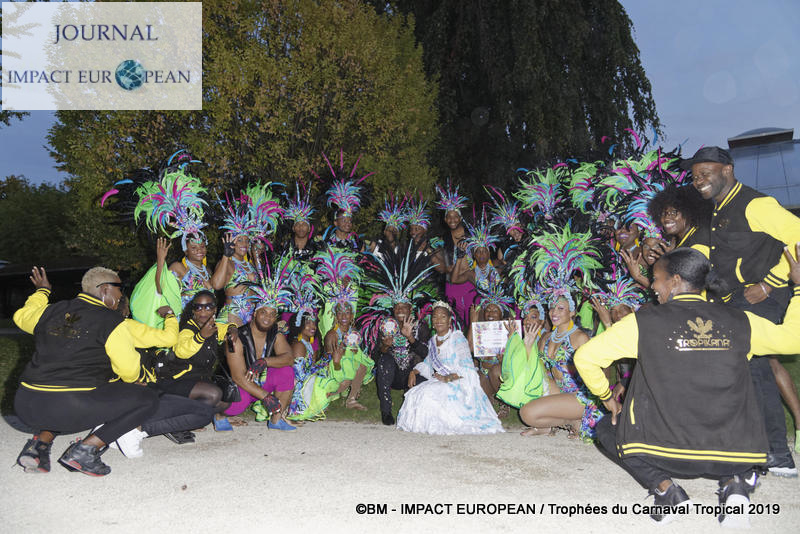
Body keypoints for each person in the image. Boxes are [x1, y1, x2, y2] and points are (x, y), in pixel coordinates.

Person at [575, 246, 800, 527]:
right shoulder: (741, 321)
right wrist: (799, 287)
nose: (652, 287)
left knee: (607, 427)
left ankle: (667, 490)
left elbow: (585, 358)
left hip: (663, 452)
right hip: (735, 453)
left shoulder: (642, 323)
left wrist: (607, 398)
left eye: (656, 278)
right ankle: (736, 484)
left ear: (675, 280)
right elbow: (794, 339)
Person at [686, 146, 800, 474]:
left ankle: (776, 453)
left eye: (705, 173)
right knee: (737, 369)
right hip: (732, 300)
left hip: (761, 299)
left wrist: (769, 283)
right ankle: (753, 446)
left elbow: (797, 238)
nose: (699, 181)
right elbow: (710, 255)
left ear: (728, 170)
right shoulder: (717, 210)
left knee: (754, 369)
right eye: (695, 176)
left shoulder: (756, 204)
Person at [13, 266, 159, 476]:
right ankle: (87, 450)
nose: (121, 295)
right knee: (147, 399)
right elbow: (129, 372)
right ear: (106, 290)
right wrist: (139, 378)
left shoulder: (49, 311)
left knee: (68, 390)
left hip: (26, 404)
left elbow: (21, 316)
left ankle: (39, 446)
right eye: (120, 289)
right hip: (70, 406)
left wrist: (42, 291)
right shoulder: (112, 322)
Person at [397, 301, 503, 435]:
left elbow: (467, 369)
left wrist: (448, 378)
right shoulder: (433, 341)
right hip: (442, 379)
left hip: (459, 382)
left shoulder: (457, 338)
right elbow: (428, 362)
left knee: (429, 393)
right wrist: (414, 371)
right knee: (416, 393)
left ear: (449, 321)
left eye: (442, 317)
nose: (438, 320)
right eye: (435, 317)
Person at [154, 290, 238, 431]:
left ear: (215, 309)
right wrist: (200, 337)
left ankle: (198, 417)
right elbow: (181, 351)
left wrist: (233, 328)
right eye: (198, 307)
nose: (203, 311)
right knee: (214, 394)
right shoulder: (187, 329)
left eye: (208, 307)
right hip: (178, 380)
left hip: (199, 380)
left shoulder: (213, 326)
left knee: (226, 399)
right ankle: (182, 421)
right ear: (193, 310)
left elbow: (225, 328)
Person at [224, 285, 296, 431]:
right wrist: (266, 397)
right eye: (263, 312)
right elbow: (238, 377)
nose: (267, 318)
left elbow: (289, 357)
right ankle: (219, 415)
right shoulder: (236, 337)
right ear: (255, 313)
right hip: (241, 385)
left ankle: (276, 420)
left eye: (272, 314)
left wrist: (265, 361)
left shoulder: (276, 333)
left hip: (262, 381)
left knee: (287, 372)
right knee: (240, 403)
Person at [431, 180, 473, 328]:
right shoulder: (444, 239)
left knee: (472, 322)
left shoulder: (471, 236)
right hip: (451, 286)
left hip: (469, 286)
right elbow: (444, 266)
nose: (452, 220)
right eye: (449, 216)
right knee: (455, 325)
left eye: (456, 216)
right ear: (445, 219)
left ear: (460, 218)